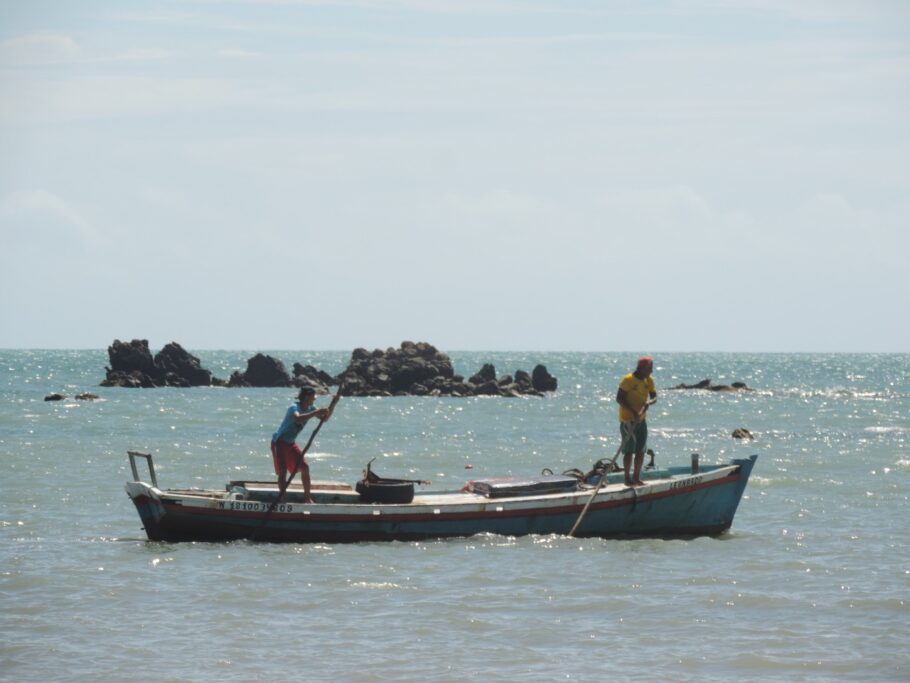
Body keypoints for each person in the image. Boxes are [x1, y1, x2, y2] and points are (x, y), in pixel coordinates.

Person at [271, 386, 333, 503]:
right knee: (283, 470)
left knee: (305, 468)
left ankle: (307, 498)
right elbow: (297, 419)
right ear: (306, 397)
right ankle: (283, 499)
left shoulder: (311, 408)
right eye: (312, 397)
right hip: (280, 441)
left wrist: (334, 403)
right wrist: (315, 412)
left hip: (290, 443)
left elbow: (324, 419)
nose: (314, 400)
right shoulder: (294, 407)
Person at [616, 356, 657, 487]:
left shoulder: (648, 380)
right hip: (628, 420)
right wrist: (633, 411)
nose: (651, 371)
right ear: (641, 368)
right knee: (629, 451)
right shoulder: (628, 380)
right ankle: (627, 478)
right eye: (649, 369)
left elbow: (654, 396)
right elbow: (619, 398)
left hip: (641, 420)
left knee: (640, 450)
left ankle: (636, 478)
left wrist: (649, 402)